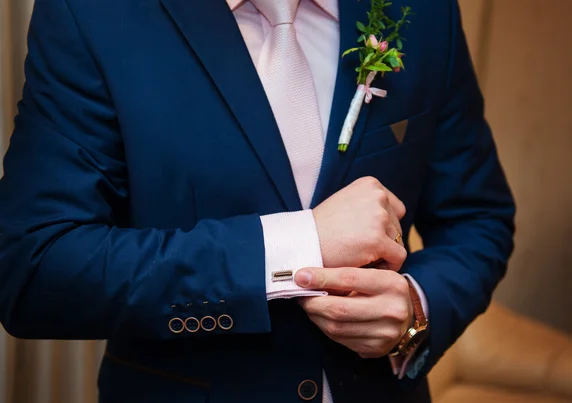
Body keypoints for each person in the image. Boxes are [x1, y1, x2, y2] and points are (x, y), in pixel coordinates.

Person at [0, 0, 515, 402]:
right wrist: (298, 246)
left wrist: (415, 312)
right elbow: (37, 268)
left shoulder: (422, 11)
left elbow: (478, 219)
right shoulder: (93, 15)